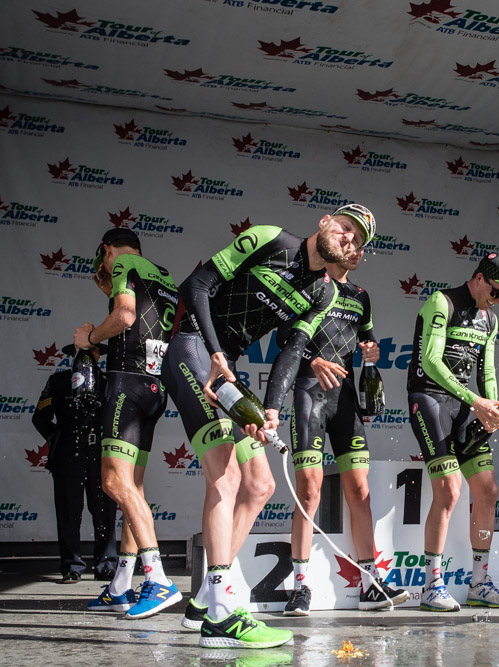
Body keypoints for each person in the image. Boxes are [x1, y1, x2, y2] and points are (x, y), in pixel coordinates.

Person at [163, 205, 373, 648]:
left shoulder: (323, 292)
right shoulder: (271, 239)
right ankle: (221, 611)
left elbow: (292, 352)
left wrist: (273, 408)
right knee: (226, 475)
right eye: (345, 227)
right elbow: (195, 285)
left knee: (260, 485)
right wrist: (216, 353)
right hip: (192, 346)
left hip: (226, 367)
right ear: (325, 221)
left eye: (357, 239)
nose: (348, 238)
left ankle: (203, 602)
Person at [282, 245, 409, 615]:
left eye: (362, 248)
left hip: (345, 400)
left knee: (360, 491)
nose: (357, 252)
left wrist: (371, 354)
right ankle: (299, 588)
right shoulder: (309, 286)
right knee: (309, 492)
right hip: (309, 395)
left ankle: (371, 585)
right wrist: (313, 360)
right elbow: (284, 339)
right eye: (350, 244)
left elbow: (367, 340)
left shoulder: (360, 295)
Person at [72, 228, 179, 618]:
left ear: (106, 249)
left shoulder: (123, 264)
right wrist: (109, 292)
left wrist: (90, 338)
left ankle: (158, 578)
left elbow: (125, 316)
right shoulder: (162, 273)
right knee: (132, 486)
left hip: (127, 386)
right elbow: (143, 321)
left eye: (104, 259)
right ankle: (121, 584)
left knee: (114, 483)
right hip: (154, 387)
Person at [407, 252, 499, 612]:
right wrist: (476, 401)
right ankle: (431, 586)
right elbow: (430, 361)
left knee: (487, 490)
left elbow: (487, 371)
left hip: (465, 406)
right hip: (429, 400)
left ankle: (479, 583)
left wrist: (493, 407)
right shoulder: (442, 302)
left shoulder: (490, 319)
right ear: (480, 278)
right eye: (497, 292)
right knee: (449, 490)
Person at [32, 344, 117, 584]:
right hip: (68, 456)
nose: (88, 355)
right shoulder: (59, 381)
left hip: (100, 456)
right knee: (69, 514)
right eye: (83, 350)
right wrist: (59, 439)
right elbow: (40, 418)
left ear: (99, 355)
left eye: (93, 350)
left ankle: (106, 565)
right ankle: (72, 567)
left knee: (104, 514)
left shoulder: (108, 382)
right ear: (74, 353)